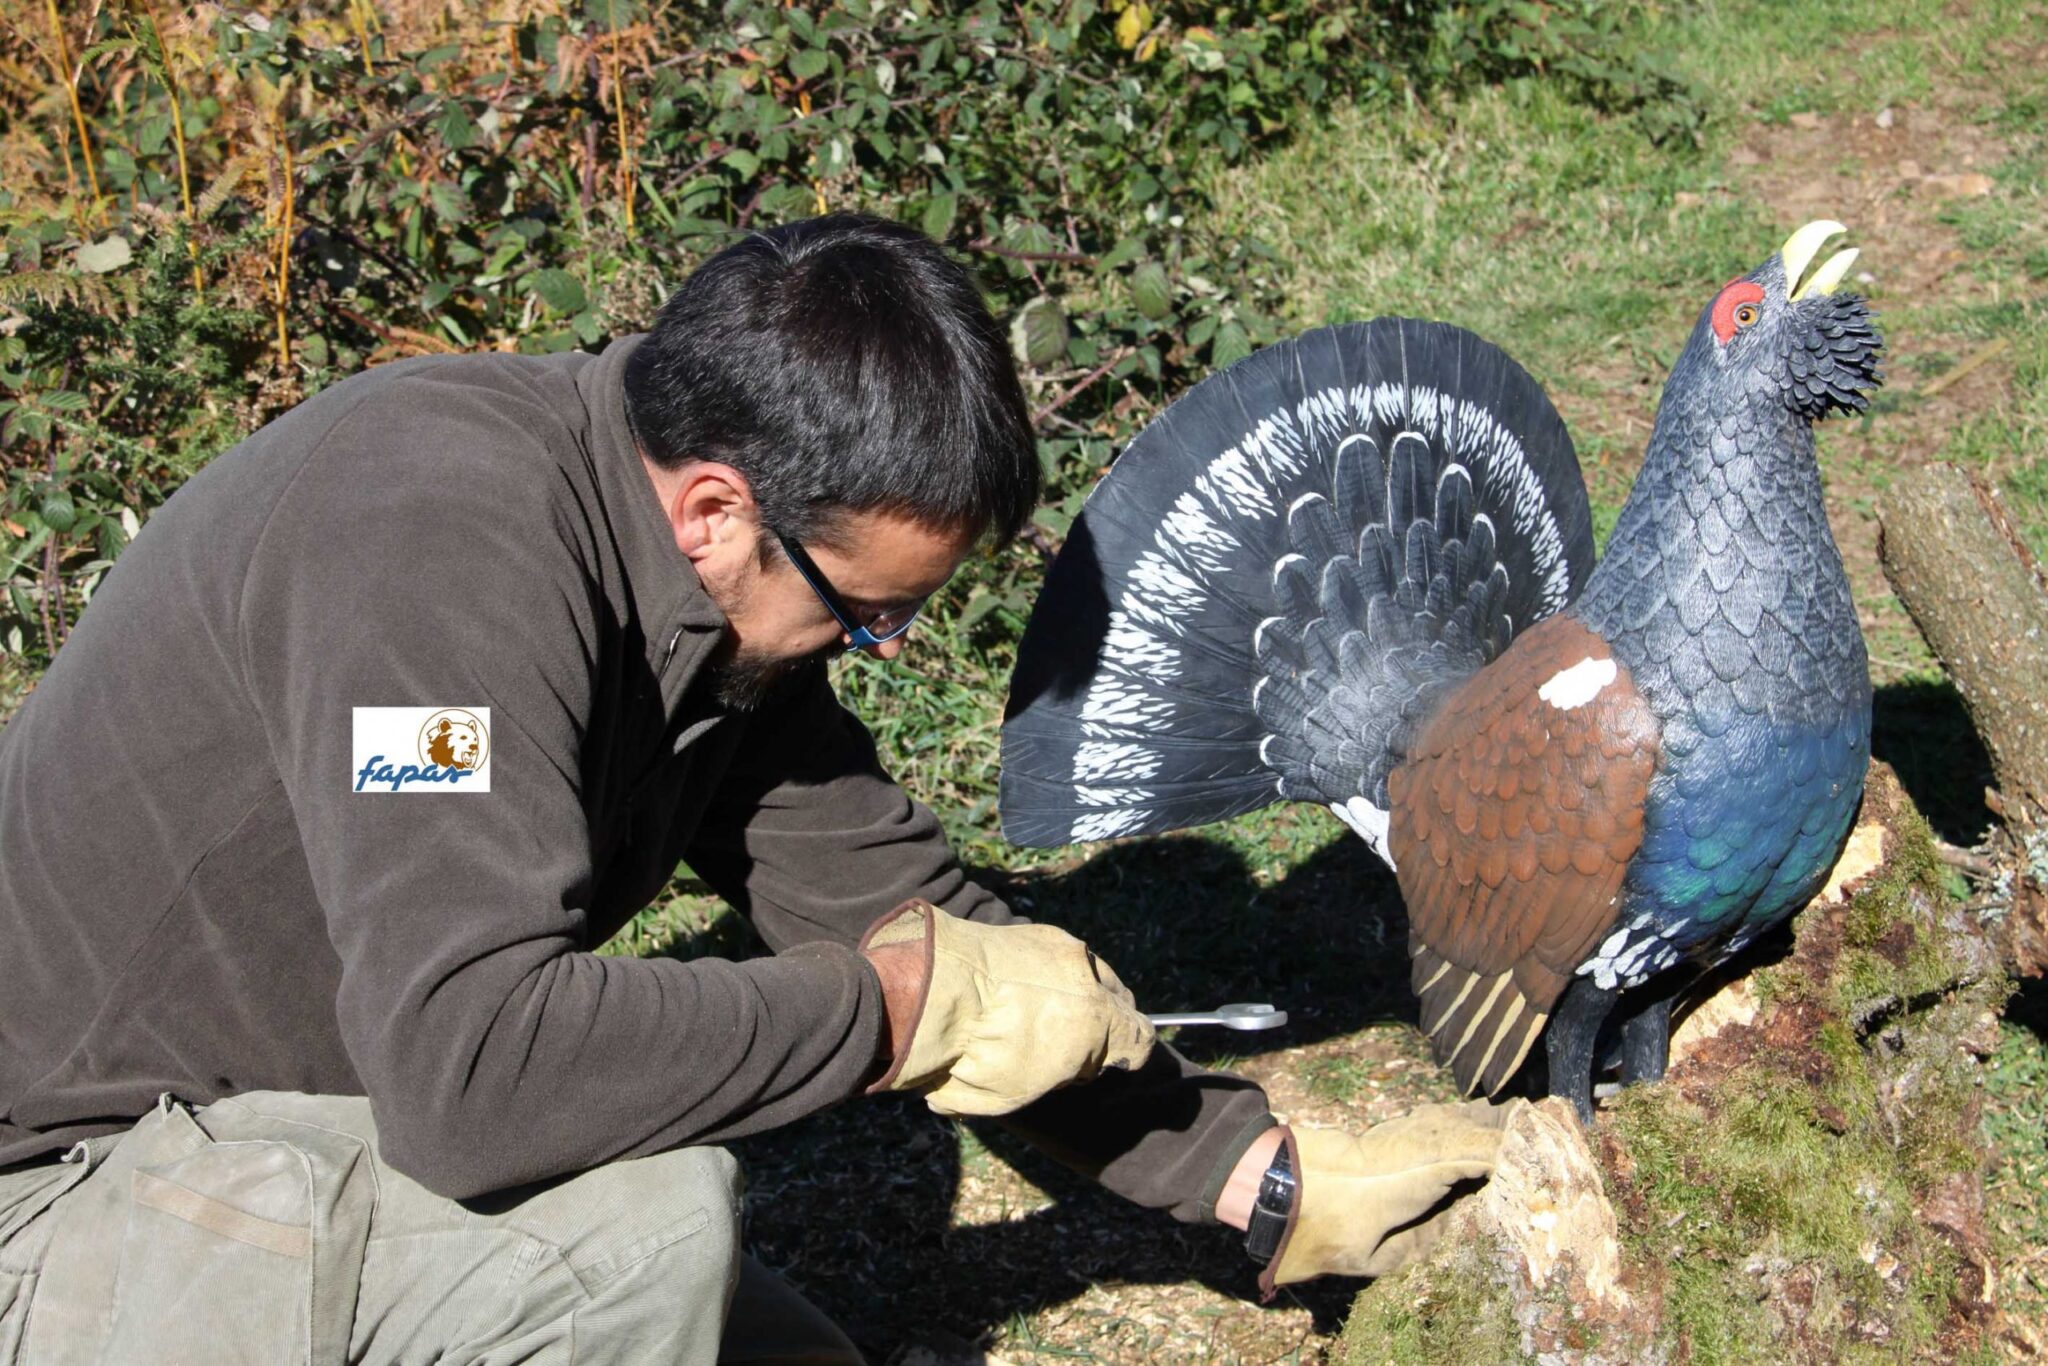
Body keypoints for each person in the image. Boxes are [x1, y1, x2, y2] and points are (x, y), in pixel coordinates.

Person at [0, 213, 1513, 1363]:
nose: (875, 648)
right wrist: (894, 1016)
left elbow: (895, 907)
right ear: (720, 509)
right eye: (866, 612)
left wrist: (1255, 1176)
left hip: (300, 1121)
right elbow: (474, 1071)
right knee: (644, 1245)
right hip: (62, 1189)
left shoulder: (695, 585)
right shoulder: (429, 562)